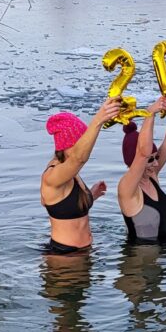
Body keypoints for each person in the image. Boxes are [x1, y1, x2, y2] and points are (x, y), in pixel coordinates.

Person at [40, 97, 121, 254]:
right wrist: (98, 120)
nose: (84, 147)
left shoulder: (70, 173)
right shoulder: (52, 175)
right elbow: (79, 158)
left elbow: (52, 204)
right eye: (80, 143)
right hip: (64, 257)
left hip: (85, 252)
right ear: (65, 145)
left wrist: (91, 195)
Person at [118, 94, 166, 244]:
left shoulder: (151, 174)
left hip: (164, 256)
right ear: (136, 161)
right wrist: (150, 113)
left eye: (155, 157)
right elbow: (143, 153)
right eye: (151, 159)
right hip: (141, 262)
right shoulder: (127, 188)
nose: (156, 163)